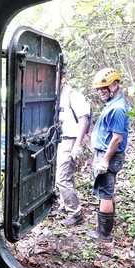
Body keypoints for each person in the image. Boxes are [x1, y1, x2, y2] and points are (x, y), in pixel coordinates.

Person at [87, 68, 129, 241]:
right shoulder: (112, 104)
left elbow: (117, 138)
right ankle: (103, 229)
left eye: (104, 87)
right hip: (106, 154)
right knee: (107, 192)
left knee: (105, 193)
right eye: (98, 88)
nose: (100, 91)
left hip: (109, 156)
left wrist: (104, 160)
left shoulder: (118, 108)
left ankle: (103, 234)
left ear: (115, 84)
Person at [57, 71, 90, 226]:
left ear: (63, 77)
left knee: (62, 178)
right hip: (60, 140)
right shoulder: (57, 95)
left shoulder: (73, 95)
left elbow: (84, 120)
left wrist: (78, 144)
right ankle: (65, 205)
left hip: (70, 140)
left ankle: (75, 213)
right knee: (67, 176)